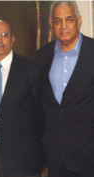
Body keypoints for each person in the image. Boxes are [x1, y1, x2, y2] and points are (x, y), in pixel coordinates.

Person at [0, 20, 44, 177]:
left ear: (12, 40)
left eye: (4, 35)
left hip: (24, 160)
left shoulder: (31, 69)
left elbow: (42, 114)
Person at [36, 1, 94, 177]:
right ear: (51, 25)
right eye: (58, 20)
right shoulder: (42, 55)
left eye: (69, 20)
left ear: (79, 20)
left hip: (88, 156)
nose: (63, 26)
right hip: (54, 157)